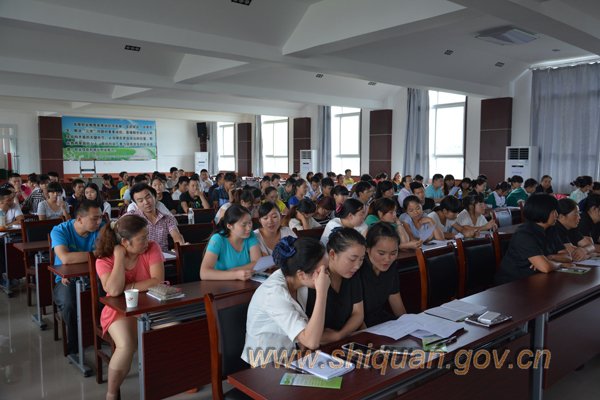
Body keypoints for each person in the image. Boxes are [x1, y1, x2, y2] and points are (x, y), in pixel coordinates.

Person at [95, 215, 164, 400]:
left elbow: (157, 280)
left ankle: (177, 380)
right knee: (126, 345)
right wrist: (119, 257)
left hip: (151, 305)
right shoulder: (104, 259)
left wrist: (128, 287)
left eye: (147, 235)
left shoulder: (152, 248)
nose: (147, 241)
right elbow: (113, 291)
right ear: (125, 242)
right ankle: (111, 393)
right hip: (118, 311)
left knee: (174, 330)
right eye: (142, 238)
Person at [242, 236, 329, 366]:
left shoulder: (296, 279)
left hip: (290, 357)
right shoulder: (274, 294)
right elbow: (311, 342)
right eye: (322, 271)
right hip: (265, 365)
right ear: (301, 274)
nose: (326, 276)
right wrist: (322, 293)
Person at [51, 201, 103, 355]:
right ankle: (75, 342)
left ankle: (102, 333)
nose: (99, 222)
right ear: (79, 219)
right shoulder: (60, 230)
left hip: (96, 276)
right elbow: (65, 258)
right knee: (69, 303)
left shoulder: (101, 228)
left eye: (100, 217)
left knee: (109, 296)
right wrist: (97, 254)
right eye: (95, 218)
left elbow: (109, 252)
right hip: (66, 279)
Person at [495, 194, 572, 285]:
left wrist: (550, 257)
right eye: (553, 211)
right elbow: (545, 267)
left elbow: (568, 257)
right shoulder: (524, 234)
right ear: (542, 211)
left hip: (538, 279)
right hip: (513, 284)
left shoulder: (551, 229)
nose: (556, 215)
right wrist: (561, 264)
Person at [306, 228, 365, 344]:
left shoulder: (352, 275)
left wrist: (339, 335)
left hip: (346, 339)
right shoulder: (313, 281)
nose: (357, 266)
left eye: (361, 259)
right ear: (332, 254)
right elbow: (307, 331)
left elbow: (358, 314)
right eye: (352, 259)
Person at [360, 222, 407, 327]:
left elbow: (396, 303)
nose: (387, 259)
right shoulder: (357, 270)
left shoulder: (392, 267)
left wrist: (408, 326)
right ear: (367, 249)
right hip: (361, 327)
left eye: (393, 253)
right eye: (381, 253)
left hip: (381, 322)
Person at [200, 204, 261, 280]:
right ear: (229, 226)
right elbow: (204, 273)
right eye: (244, 225)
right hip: (220, 285)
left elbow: (257, 262)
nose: (249, 228)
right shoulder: (217, 239)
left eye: (250, 222)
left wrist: (233, 271)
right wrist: (236, 275)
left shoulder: (250, 235)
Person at [126, 184, 185, 251]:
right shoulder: (132, 218)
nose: (146, 202)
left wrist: (181, 247)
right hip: (141, 255)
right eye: (140, 201)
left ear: (155, 197)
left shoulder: (167, 218)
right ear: (136, 204)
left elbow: (176, 236)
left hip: (163, 255)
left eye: (148, 197)